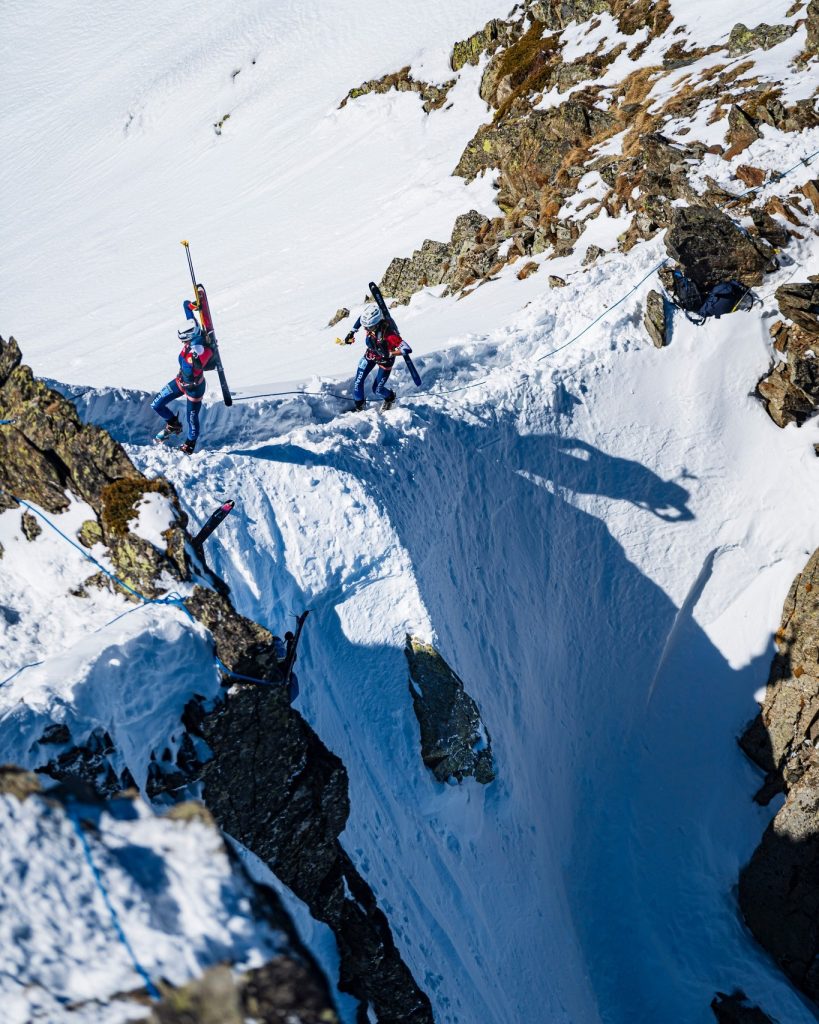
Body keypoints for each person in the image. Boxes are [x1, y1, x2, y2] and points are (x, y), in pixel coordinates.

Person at [152, 300, 213, 453]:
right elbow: (185, 306)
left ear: (191, 337)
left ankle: (189, 445)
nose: (182, 342)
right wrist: (192, 306)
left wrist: (197, 357)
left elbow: (205, 356)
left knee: (191, 419)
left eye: (184, 340)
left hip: (194, 389)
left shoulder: (200, 351)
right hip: (180, 382)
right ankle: (173, 425)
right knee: (157, 404)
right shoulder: (194, 331)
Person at [339, 303, 410, 410]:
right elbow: (361, 319)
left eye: (369, 327)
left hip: (385, 361)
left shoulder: (390, 335)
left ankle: (390, 397)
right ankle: (360, 407)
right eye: (365, 326)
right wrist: (352, 332)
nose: (366, 328)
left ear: (377, 323)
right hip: (371, 355)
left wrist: (391, 353)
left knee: (377, 389)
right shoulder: (369, 324)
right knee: (358, 383)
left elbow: (407, 349)